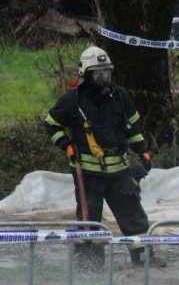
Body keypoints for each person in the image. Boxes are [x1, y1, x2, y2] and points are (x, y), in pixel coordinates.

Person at [43, 46, 152, 266]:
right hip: (88, 174)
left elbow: (133, 128)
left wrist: (143, 151)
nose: (104, 78)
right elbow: (51, 124)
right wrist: (66, 145)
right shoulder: (72, 100)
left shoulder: (120, 96)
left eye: (107, 72)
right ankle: (89, 263)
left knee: (133, 215)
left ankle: (142, 257)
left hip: (120, 171)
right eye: (98, 73)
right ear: (86, 73)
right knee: (88, 220)